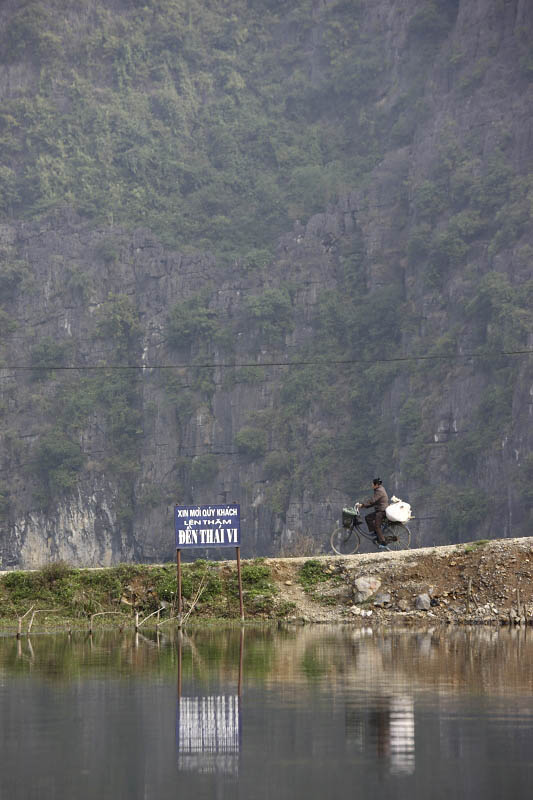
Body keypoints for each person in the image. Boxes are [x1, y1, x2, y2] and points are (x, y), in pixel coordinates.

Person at [360, 478, 389, 550]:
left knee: (377, 526)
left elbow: (372, 501)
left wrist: (363, 505)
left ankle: (383, 542)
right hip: (379, 510)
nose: (371, 485)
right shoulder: (379, 489)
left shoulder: (379, 491)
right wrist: (364, 506)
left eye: (372, 484)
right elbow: (374, 502)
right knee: (368, 517)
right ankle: (376, 534)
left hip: (382, 511)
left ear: (376, 485)